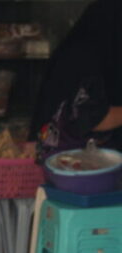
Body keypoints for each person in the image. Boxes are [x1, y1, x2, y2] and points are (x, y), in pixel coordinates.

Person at [31, 0, 122, 163]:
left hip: (59, 157)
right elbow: (94, 119)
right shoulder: (85, 60)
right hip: (68, 163)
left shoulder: (84, 48)